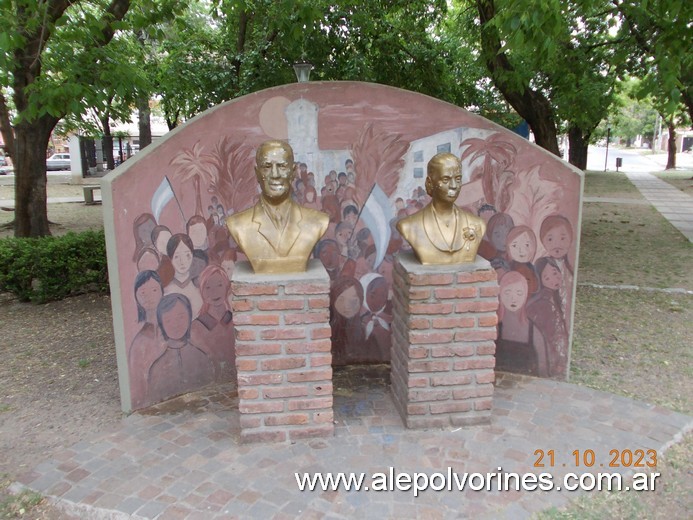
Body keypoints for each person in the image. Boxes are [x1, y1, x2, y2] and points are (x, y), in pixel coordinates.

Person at [225, 140, 329, 273]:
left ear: (293, 172)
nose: (275, 174)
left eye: (282, 166)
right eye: (267, 167)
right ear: (257, 173)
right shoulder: (238, 225)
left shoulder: (317, 222)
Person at [397, 153, 485, 264]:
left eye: (458, 179)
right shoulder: (409, 226)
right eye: (445, 179)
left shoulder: (477, 224)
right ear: (430, 183)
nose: (454, 185)